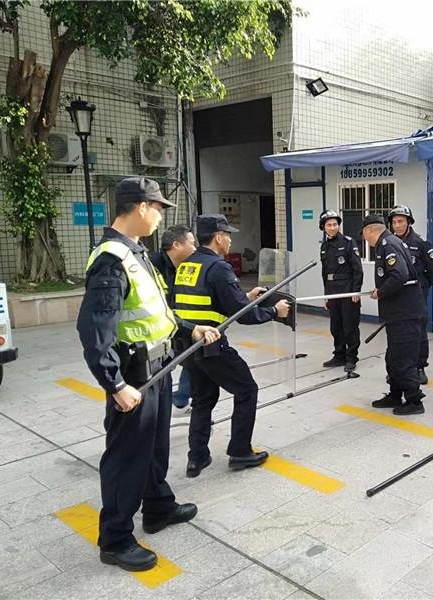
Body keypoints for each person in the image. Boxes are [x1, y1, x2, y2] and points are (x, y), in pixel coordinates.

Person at [76, 178, 221, 572]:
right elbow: (94, 331)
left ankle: (157, 507)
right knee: (126, 457)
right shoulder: (111, 259)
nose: (160, 217)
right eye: (158, 208)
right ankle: (115, 539)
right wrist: (115, 384)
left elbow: (158, 313)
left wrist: (190, 329)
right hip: (134, 374)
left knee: (155, 447)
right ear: (140, 207)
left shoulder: (136, 252)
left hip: (160, 365)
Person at [173, 213, 290, 478]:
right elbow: (244, 316)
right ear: (218, 237)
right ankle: (240, 451)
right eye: (227, 235)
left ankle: (196, 458)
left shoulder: (187, 265)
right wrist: (275, 311)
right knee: (247, 389)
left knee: (202, 399)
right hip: (212, 346)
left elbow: (208, 302)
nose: (229, 240)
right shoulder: (219, 267)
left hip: (189, 346)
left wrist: (245, 296)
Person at [361, 214, 427, 415]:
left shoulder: (388, 244)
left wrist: (381, 292)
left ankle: (415, 401)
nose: (365, 239)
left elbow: (399, 275)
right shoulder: (389, 242)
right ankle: (395, 394)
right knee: (393, 357)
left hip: (404, 314)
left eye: (364, 234)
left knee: (402, 359)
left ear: (369, 231)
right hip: (398, 314)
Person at [387, 205, 433, 384]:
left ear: (409, 222)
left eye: (401, 221)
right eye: (394, 222)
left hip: (416, 297)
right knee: (397, 334)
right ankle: (398, 368)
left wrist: (420, 290)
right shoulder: (388, 244)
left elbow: (432, 272)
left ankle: (419, 367)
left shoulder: (421, 244)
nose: (397, 225)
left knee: (418, 332)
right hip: (396, 297)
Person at [150, 224, 196, 416]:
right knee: (161, 369)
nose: (195, 248)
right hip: (154, 331)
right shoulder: (151, 265)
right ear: (177, 245)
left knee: (194, 357)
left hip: (175, 325)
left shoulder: (186, 267)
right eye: (192, 243)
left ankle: (179, 401)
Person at [318, 209, 363, 372]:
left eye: (335, 224)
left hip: (347, 290)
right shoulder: (324, 246)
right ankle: (339, 355)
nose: (332, 228)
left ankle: (351, 358)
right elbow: (325, 273)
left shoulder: (348, 243)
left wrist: (356, 291)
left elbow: (357, 269)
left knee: (349, 326)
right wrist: (326, 295)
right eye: (329, 225)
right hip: (332, 290)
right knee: (336, 326)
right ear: (323, 227)